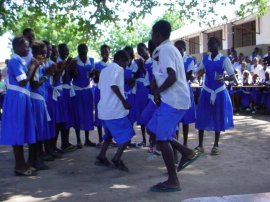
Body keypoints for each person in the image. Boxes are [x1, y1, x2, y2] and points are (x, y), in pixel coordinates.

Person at [147, 20, 199, 192]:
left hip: (174, 100)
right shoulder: (165, 50)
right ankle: (186, 152)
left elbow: (172, 77)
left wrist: (157, 92)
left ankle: (173, 180)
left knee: (161, 138)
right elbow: (163, 73)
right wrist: (155, 84)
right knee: (154, 129)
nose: (152, 37)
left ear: (158, 34)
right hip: (171, 99)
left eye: (153, 34)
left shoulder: (166, 50)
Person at [0, 36, 40, 176]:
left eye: (28, 46)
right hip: (16, 98)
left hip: (22, 97)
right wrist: (33, 66)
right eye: (25, 46)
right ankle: (19, 165)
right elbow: (23, 81)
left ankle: (23, 163)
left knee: (22, 130)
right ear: (16, 47)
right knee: (17, 130)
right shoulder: (14, 61)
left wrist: (33, 66)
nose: (28, 49)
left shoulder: (20, 61)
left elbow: (27, 79)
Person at [95, 50, 135, 172]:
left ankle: (102, 156)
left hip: (104, 110)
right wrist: (124, 102)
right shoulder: (118, 69)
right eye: (126, 63)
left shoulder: (104, 70)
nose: (126, 66)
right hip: (115, 110)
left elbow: (101, 87)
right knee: (128, 135)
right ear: (121, 60)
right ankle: (117, 158)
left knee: (109, 135)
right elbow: (113, 86)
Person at [195, 37, 236, 155]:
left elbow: (232, 77)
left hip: (219, 92)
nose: (209, 46)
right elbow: (198, 72)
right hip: (206, 91)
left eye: (212, 43)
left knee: (218, 116)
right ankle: (200, 145)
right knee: (201, 116)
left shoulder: (224, 59)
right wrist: (199, 73)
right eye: (208, 44)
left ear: (218, 45)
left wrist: (224, 78)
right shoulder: (205, 58)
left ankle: (216, 145)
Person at [28, 41, 55, 169]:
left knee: (39, 130)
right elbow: (34, 84)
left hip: (40, 99)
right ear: (35, 53)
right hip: (35, 100)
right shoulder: (35, 64)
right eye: (42, 53)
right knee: (37, 131)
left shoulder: (39, 64)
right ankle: (36, 159)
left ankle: (35, 158)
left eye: (44, 53)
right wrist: (46, 75)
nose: (44, 56)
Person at [72, 44, 96, 148]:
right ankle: (78, 140)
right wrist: (73, 71)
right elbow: (72, 75)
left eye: (84, 50)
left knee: (87, 114)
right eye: (80, 50)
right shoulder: (74, 61)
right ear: (77, 51)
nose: (82, 52)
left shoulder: (91, 60)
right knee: (77, 114)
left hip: (87, 90)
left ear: (87, 50)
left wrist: (92, 74)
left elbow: (92, 76)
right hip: (77, 90)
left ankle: (87, 139)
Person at [174, 40, 196, 147]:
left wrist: (176, 77)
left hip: (185, 92)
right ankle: (177, 143)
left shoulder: (189, 60)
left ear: (184, 49)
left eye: (180, 48)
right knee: (176, 120)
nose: (178, 50)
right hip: (175, 93)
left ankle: (185, 143)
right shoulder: (173, 60)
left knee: (185, 120)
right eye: (176, 48)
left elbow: (189, 76)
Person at [93, 44, 111, 146]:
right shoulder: (96, 65)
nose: (104, 53)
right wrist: (97, 74)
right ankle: (100, 139)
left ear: (109, 52)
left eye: (106, 51)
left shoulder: (112, 65)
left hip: (108, 92)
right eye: (102, 51)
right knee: (99, 114)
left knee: (109, 114)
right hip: (99, 92)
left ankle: (109, 138)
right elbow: (95, 80)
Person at [134, 43, 151, 146]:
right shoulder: (137, 62)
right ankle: (144, 140)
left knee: (150, 115)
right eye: (139, 51)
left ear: (147, 49)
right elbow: (134, 76)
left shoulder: (152, 61)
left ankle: (152, 141)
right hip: (140, 91)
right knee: (142, 115)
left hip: (149, 91)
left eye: (142, 50)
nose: (141, 52)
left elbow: (148, 75)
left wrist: (142, 67)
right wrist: (139, 67)